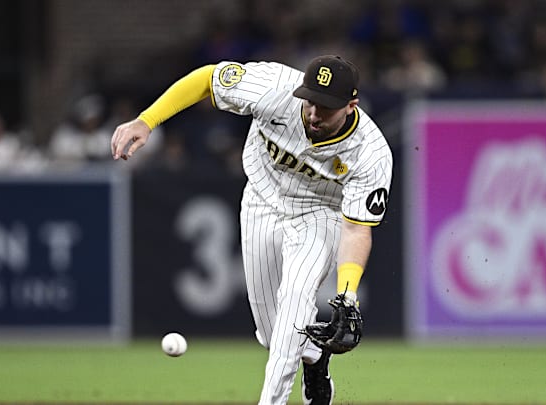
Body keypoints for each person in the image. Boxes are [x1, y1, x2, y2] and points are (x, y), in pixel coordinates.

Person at [111, 55, 393, 405]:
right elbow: (207, 79)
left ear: (352, 105)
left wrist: (347, 294)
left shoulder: (370, 153)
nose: (314, 113)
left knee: (294, 307)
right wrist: (147, 120)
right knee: (274, 335)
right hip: (261, 199)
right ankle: (314, 357)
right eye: (311, 101)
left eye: (327, 107)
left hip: (319, 215)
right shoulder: (273, 87)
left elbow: (356, 230)